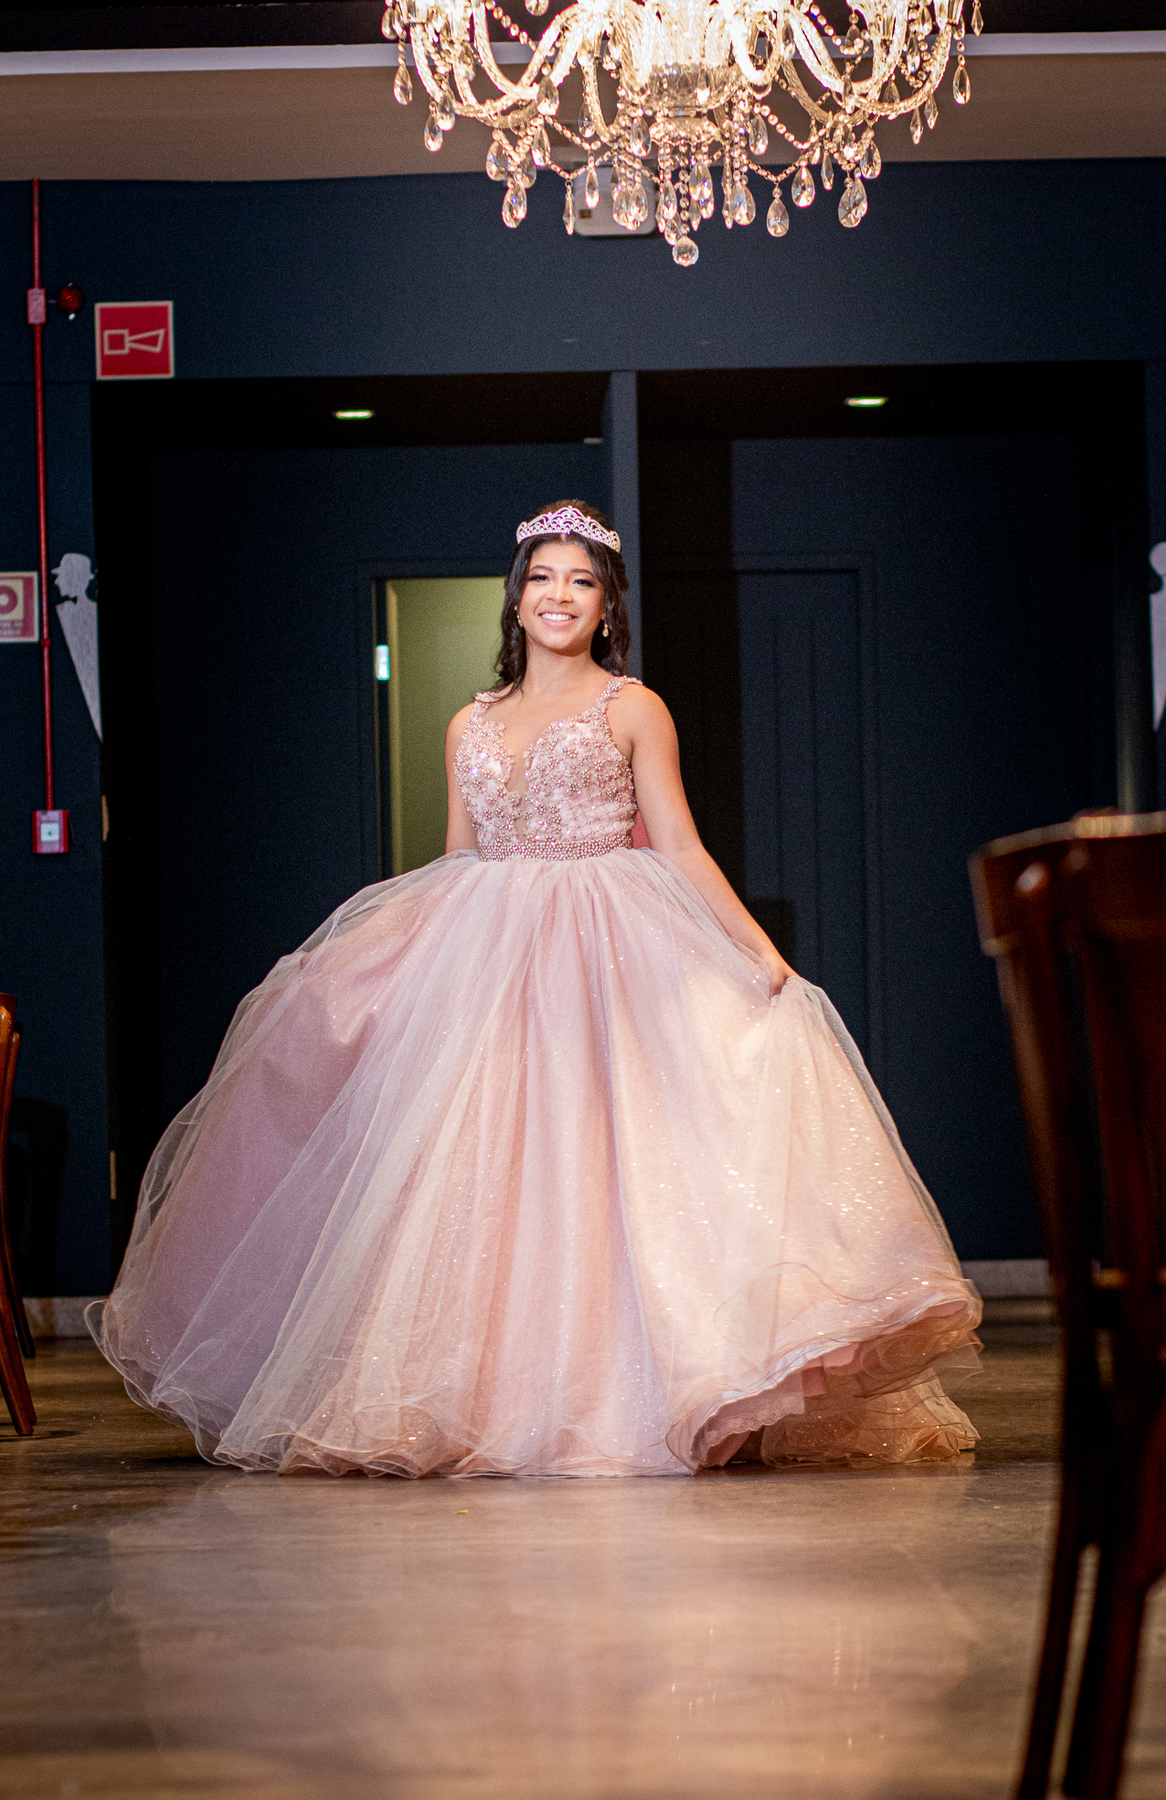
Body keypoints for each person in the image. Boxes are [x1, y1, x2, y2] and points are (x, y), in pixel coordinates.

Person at [91, 500, 981, 1477]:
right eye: (544, 579)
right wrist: (392, 963)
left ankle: (636, 1389)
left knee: (608, 1155)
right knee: (487, 1165)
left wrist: (759, 952)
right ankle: (488, 1395)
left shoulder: (633, 707)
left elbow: (679, 844)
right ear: (516, 600)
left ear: (606, 607)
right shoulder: (468, 722)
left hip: (609, 941)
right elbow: (455, 859)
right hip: (490, 955)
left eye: (582, 582)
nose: (561, 596)